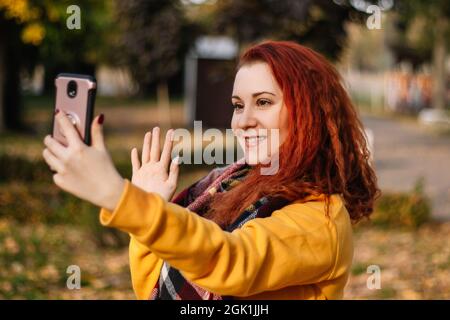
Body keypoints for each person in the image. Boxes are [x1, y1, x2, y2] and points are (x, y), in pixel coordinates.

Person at [42, 40, 380, 300]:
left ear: (309, 112)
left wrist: (121, 198)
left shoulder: (321, 219)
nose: (244, 121)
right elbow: (152, 289)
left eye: (263, 102)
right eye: (237, 105)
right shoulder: (228, 185)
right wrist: (150, 208)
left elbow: (229, 260)